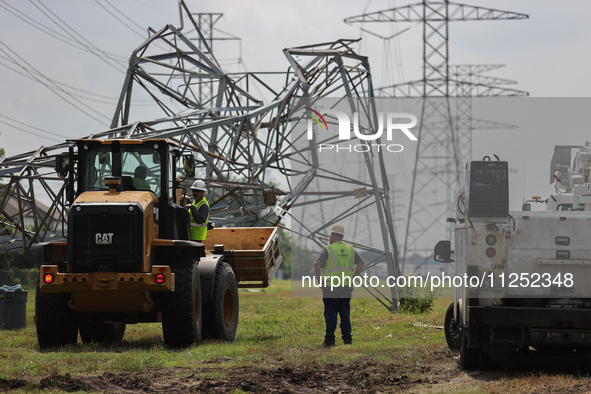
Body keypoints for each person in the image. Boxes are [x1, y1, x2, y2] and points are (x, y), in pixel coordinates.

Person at [314, 224, 365, 347]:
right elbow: (361, 262)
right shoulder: (350, 249)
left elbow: (317, 264)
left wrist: (320, 280)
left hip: (331, 288)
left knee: (331, 314)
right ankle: (348, 340)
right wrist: (354, 276)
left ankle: (329, 340)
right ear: (342, 236)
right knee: (345, 314)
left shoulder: (328, 249)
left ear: (332, 235)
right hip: (346, 288)